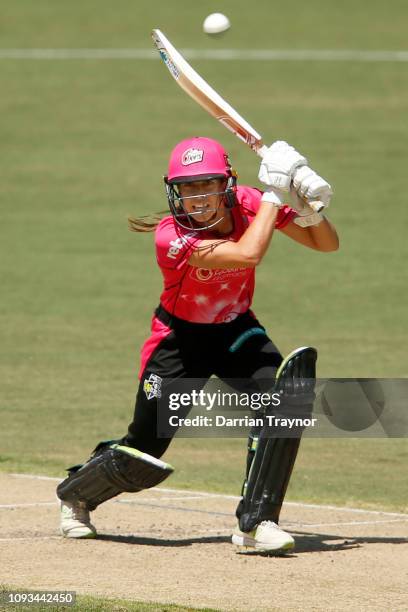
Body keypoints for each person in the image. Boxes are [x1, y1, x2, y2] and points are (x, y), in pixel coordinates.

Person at [57, 137, 339, 553]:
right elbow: (248, 254)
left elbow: (326, 243)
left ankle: (256, 523)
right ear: (174, 192)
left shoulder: (248, 202)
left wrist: (308, 208)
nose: (198, 197)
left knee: (284, 403)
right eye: (187, 188)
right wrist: (277, 196)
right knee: (145, 448)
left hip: (236, 332)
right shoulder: (171, 237)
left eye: (207, 184)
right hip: (178, 342)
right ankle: (76, 494)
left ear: (227, 183)